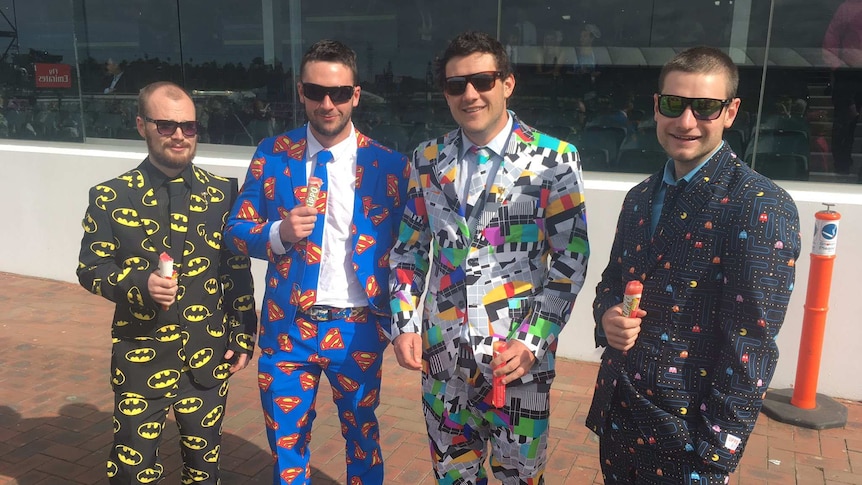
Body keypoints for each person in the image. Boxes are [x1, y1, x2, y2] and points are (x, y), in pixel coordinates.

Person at [586, 46, 801, 484]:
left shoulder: (760, 206)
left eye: (704, 107)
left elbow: (751, 348)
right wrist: (607, 316)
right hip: (619, 417)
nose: (685, 122)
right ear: (656, 107)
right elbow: (612, 283)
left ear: (731, 111)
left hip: (686, 440)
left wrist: (714, 459)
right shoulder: (640, 198)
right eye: (673, 104)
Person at [388, 31, 589, 484]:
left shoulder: (553, 159)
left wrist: (534, 340)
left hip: (516, 360)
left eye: (482, 80)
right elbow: (409, 251)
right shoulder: (426, 159)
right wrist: (402, 326)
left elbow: (570, 260)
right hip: (443, 360)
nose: (470, 94)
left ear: (507, 83)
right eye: (456, 85)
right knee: (452, 476)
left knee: (520, 477)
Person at [224, 39, 409, 485]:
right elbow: (235, 230)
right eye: (316, 91)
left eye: (340, 93)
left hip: (358, 326)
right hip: (287, 326)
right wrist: (279, 234)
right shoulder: (272, 155)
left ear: (356, 95)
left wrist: (405, 323)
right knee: (286, 447)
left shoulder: (389, 165)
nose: (328, 104)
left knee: (363, 440)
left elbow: (410, 252)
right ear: (301, 92)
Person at [76, 81, 258, 485]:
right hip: (140, 358)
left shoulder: (224, 194)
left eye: (189, 127)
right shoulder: (110, 197)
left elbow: (236, 273)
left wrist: (244, 334)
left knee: (204, 471)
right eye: (166, 125)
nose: (179, 135)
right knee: (132, 472)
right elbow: (91, 268)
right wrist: (139, 283)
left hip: (207, 360)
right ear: (142, 125)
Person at [822, 0, 862, 176]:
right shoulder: (848, 7)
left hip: (847, 73)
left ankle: (842, 166)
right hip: (848, 75)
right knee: (844, 123)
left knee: (844, 124)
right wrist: (839, 69)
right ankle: (841, 167)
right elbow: (829, 45)